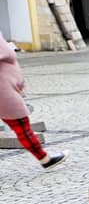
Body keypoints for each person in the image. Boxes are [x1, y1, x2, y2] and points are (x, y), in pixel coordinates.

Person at [1, 37, 65, 169]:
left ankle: (45, 159)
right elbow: (7, 53)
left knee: (21, 127)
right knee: (22, 127)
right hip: (4, 92)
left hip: (6, 89)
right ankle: (45, 159)